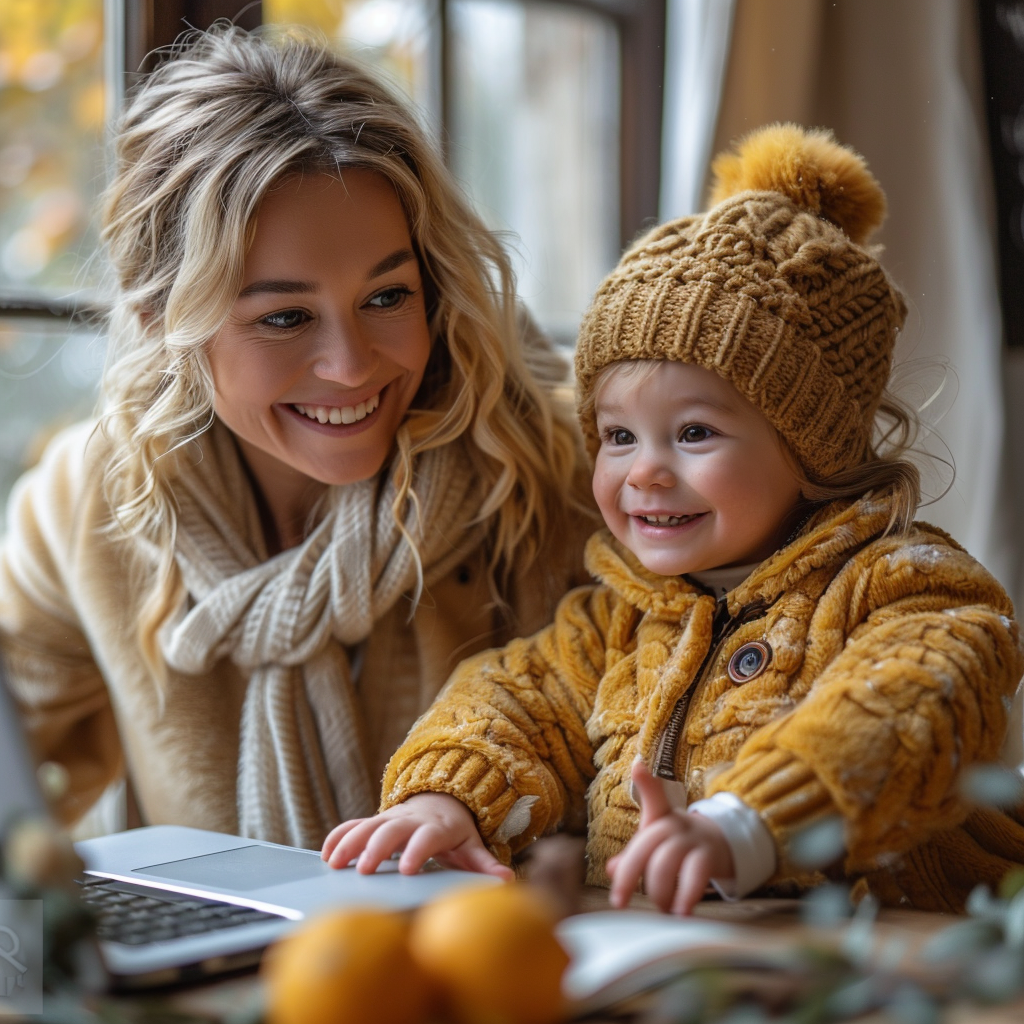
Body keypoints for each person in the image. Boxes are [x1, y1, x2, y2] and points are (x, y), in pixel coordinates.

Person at [322, 124, 1024, 914]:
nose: (645, 470)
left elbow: (909, 708)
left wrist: (749, 824)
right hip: (688, 968)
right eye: (618, 436)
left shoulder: (908, 592)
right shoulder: (612, 625)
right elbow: (510, 699)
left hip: (904, 966)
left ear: (811, 447)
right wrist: (446, 799)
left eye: (694, 432)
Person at [0, 25, 593, 850]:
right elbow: (18, 799)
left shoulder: (560, 468)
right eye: (285, 317)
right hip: (231, 978)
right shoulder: (87, 505)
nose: (352, 368)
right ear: (161, 319)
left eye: (388, 297)